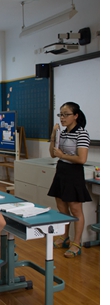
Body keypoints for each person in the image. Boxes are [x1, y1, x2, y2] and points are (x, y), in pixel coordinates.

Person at [48, 101, 92, 258]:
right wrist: (54, 135)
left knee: (75, 209)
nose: (62, 117)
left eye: (66, 114)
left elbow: (82, 159)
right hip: (61, 171)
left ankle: (76, 243)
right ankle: (64, 237)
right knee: (61, 206)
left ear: (75, 116)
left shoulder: (82, 134)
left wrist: (63, 155)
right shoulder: (63, 132)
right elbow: (53, 154)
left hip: (74, 173)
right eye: (60, 114)